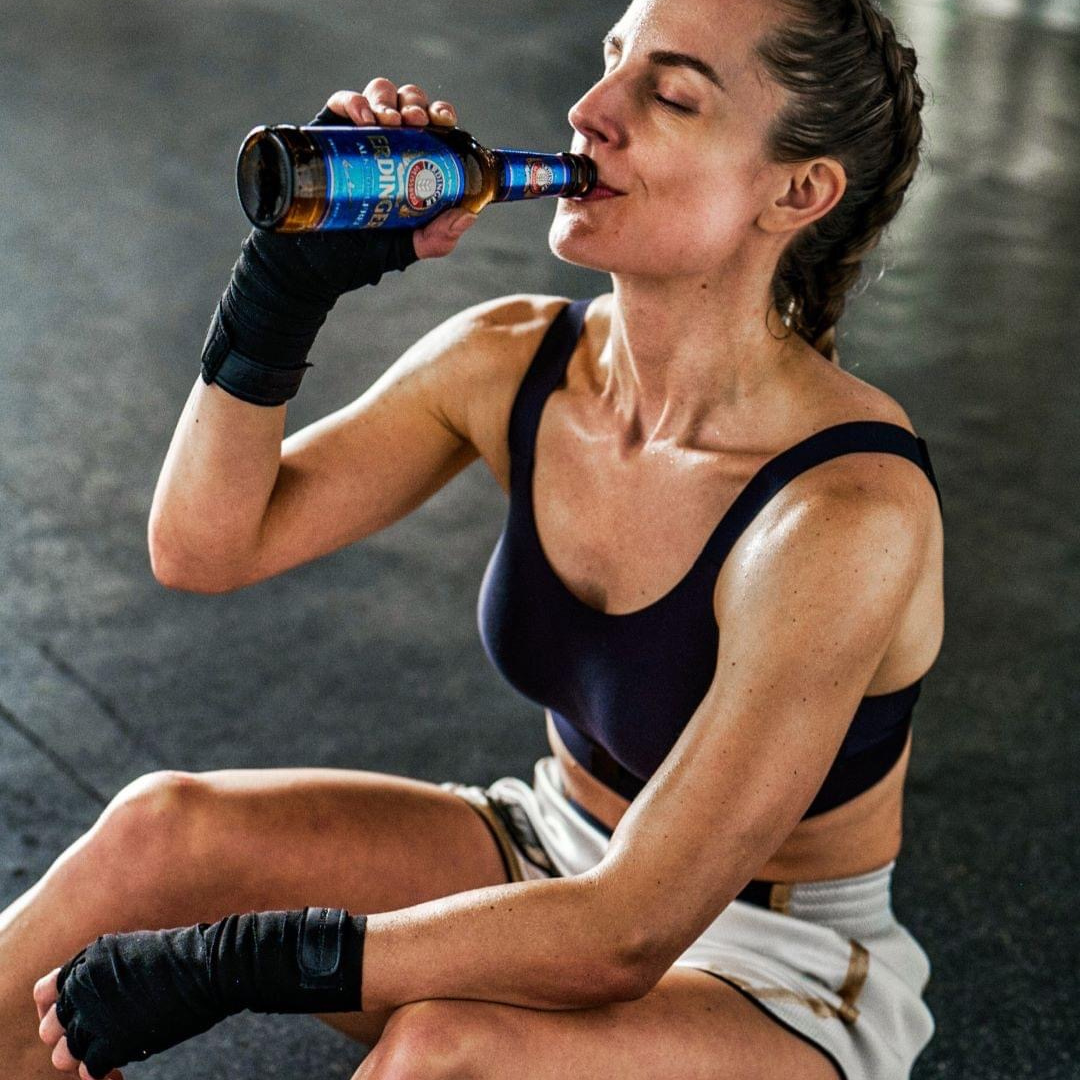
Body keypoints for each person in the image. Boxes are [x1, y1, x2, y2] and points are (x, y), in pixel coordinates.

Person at [0, 0, 943, 1077]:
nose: (590, 111)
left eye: (672, 96)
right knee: (161, 832)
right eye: (611, 61)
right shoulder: (515, 363)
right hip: (550, 849)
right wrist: (280, 287)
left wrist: (237, 964)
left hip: (773, 964)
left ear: (798, 191)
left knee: (446, 1051)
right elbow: (204, 547)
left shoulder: (842, 512)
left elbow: (627, 931)